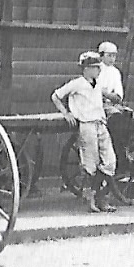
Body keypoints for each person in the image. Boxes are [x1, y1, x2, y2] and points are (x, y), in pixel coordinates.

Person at [52, 48, 118, 212]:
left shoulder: (98, 85)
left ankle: (101, 197)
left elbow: (104, 97)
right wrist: (66, 113)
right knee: (90, 164)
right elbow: (56, 96)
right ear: (86, 68)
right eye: (96, 67)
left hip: (100, 124)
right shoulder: (77, 83)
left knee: (110, 162)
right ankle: (92, 201)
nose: (99, 70)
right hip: (86, 125)